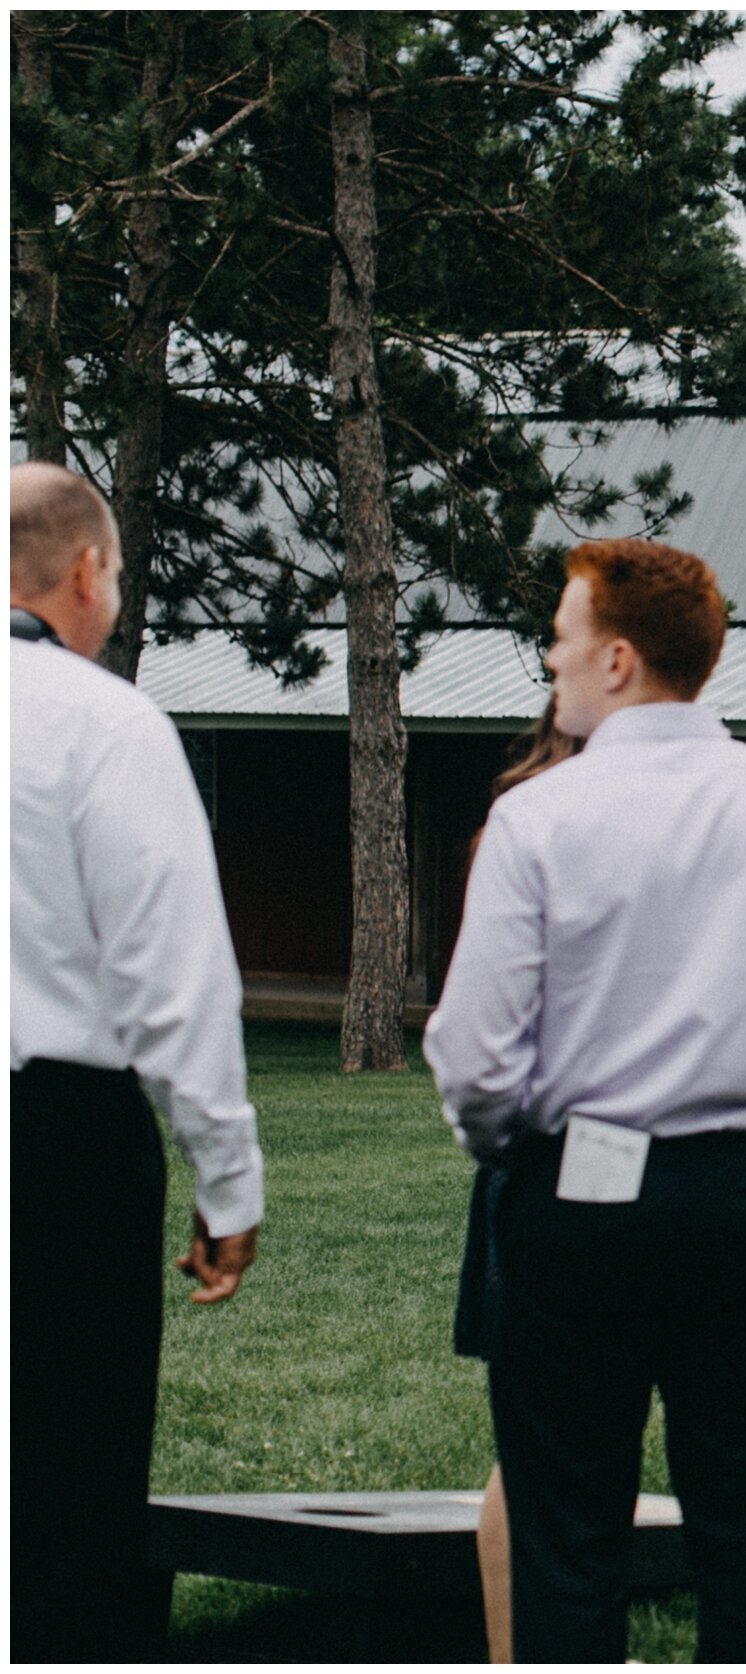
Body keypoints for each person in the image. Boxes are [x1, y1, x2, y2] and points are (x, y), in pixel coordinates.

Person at [425, 538, 746, 1661]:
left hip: (576, 1198)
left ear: (620, 660)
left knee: (568, 1542)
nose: (552, 657)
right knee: (741, 1528)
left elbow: (476, 1059)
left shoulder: (541, 821)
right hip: (741, 1195)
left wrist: (519, 1143)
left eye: (563, 638)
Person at [10, 461, 265, 1659]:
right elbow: (175, 976)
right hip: (52, 1137)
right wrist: (228, 1184)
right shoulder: (106, 723)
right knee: (67, 1452)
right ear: (87, 570)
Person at [454, 705, 579, 1664]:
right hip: (538, 1157)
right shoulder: (526, 828)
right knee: (539, 1446)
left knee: (582, 1436)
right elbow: (480, 1034)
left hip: (551, 1154)